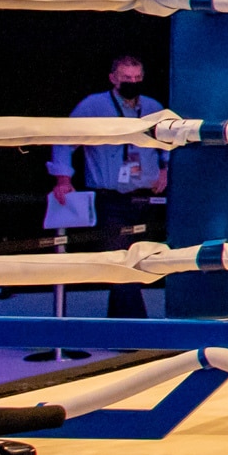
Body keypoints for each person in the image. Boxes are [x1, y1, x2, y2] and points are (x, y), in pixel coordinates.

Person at [47, 51, 166, 317]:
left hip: (147, 197)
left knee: (141, 262)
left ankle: (122, 326)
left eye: (137, 77)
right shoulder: (94, 106)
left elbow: (169, 144)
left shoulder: (153, 107)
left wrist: (166, 169)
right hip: (111, 197)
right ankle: (135, 329)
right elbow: (64, 140)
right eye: (126, 77)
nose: (132, 82)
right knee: (120, 262)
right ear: (113, 78)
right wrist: (63, 179)